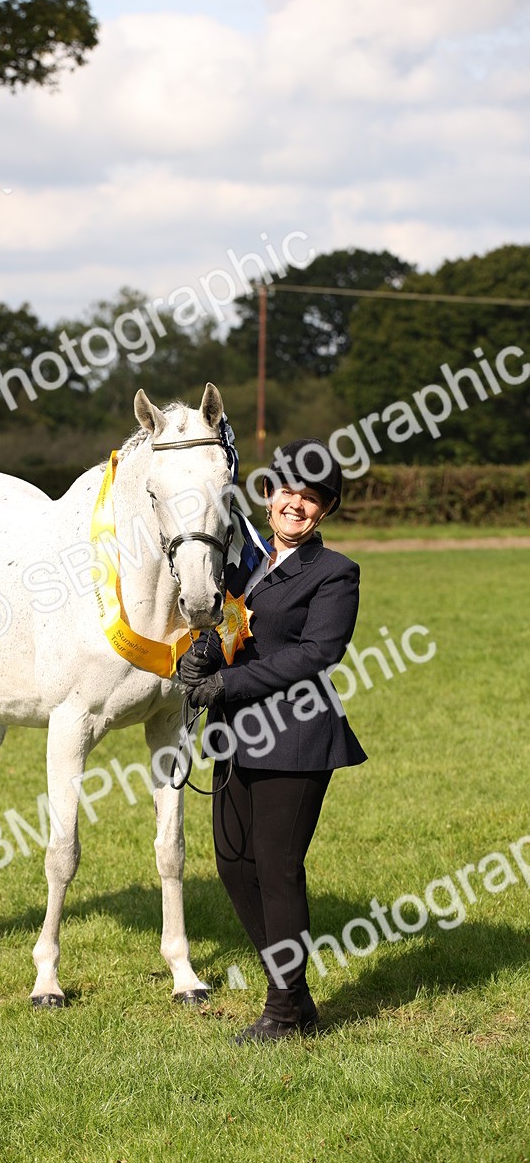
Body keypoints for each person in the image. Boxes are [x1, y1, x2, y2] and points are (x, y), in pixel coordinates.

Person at [178, 438, 366, 1044]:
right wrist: (202, 653)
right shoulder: (242, 564)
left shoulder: (335, 572)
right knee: (234, 867)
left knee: (278, 869)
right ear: (267, 495)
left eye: (312, 498)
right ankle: (297, 994)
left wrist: (227, 683)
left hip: (297, 735)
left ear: (324, 511)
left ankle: (284, 1011)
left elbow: (317, 654)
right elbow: (228, 625)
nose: (297, 504)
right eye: (288, 490)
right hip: (235, 734)